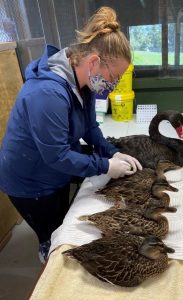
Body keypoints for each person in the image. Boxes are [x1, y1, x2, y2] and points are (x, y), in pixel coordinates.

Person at [0, 6, 142, 263]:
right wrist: (105, 165)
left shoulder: (83, 81)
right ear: (94, 61)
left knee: (65, 209)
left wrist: (112, 152)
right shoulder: (47, 94)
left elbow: (89, 128)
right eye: (114, 77)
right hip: (30, 182)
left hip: (52, 165)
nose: (112, 86)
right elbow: (57, 155)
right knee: (55, 234)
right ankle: (47, 252)